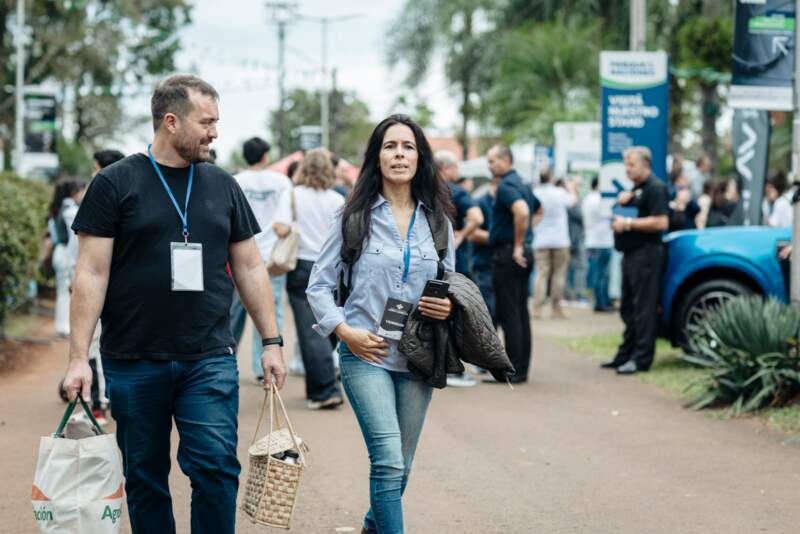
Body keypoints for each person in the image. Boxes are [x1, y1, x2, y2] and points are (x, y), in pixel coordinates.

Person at [61, 75, 286, 534]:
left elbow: (249, 266)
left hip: (207, 356)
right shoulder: (115, 183)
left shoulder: (223, 185)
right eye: (206, 122)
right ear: (171, 121)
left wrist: (272, 341)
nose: (215, 133)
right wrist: (77, 358)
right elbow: (91, 273)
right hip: (132, 358)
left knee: (216, 468)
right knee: (144, 477)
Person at [306, 114, 455, 534]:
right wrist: (344, 331)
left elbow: (450, 285)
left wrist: (447, 309)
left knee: (401, 469)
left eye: (408, 146)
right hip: (363, 353)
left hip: (417, 357)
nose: (400, 154)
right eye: (390, 146)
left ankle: (374, 526)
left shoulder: (439, 220)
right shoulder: (353, 215)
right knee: (387, 460)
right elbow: (317, 286)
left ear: (420, 157)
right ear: (377, 157)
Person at [274, 148, 344, 409]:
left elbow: (280, 228)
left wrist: (295, 227)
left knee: (310, 329)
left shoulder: (292, 195)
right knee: (330, 324)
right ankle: (323, 380)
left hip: (302, 265)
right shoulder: (337, 200)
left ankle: (325, 390)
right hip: (332, 267)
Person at [229, 136, 292, 382]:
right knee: (269, 311)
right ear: (265, 156)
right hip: (273, 258)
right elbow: (283, 226)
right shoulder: (281, 182)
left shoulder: (234, 181)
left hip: (239, 254)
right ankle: (262, 365)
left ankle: (227, 361)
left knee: (234, 312)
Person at [601, 146, 668, 375]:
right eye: (626, 165)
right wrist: (623, 204)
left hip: (647, 255)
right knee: (628, 307)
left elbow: (661, 222)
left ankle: (641, 359)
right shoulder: (636, 190)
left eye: (632, 165)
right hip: (630, 255)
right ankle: (625, 354)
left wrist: (627, 225)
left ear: (646, 164)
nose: (627, 169)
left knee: (644, 308)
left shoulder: (656, 188)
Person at [487, 144, 541, 384]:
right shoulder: (522, 182)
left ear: (505, 159)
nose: (490, 166)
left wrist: (518, 243)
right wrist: (526, 237)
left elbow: (523, 212)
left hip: (510, 253)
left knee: (510, 313)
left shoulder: (507, 185)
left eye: (492, 161)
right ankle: (521, 369)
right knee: (520, 312)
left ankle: (513, 370)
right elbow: (538, 209)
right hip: (521, 251)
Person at [434, 149, 483, 388]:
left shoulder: (424, 190)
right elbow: (477, 217)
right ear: (446, 168)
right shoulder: (459, 192)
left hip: (429, 262)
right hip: (457, 263)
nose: (458, 172)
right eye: (455, 167)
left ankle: (438, 364)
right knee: (455, 314)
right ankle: (453, 369)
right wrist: (462, 236)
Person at [532, 169, 576, 319]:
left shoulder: (535, 193)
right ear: (550, 178)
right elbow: (573, 202)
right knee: (559, 274)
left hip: (540, 239)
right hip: (560, 239)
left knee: (541, 273)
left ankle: (537, 308)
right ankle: (556, 308)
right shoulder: (559, 192)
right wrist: (571, 187)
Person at [47, 179, 87, 337]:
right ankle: (64, 328)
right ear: (74, 192)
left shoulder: (59, 207)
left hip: (59, 250)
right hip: (65, 252)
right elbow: (74, 236)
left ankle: (61, 326)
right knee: (66, 292)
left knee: (62, 291)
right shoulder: (70, 209)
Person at [581, 177, 614, 312]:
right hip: (602, 241)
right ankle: (601, 302)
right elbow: (611, 214)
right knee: (602, 274)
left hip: (592, 240)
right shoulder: (599, 200)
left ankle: (601, 301)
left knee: (597, 272)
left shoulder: (587, 199)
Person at [469, 175, 498, 325]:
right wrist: (500, 237)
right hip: (484, 263)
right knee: (488, 310)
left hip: (503, 265)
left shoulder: (508, 203)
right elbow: (472, 233)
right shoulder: (480, 203)